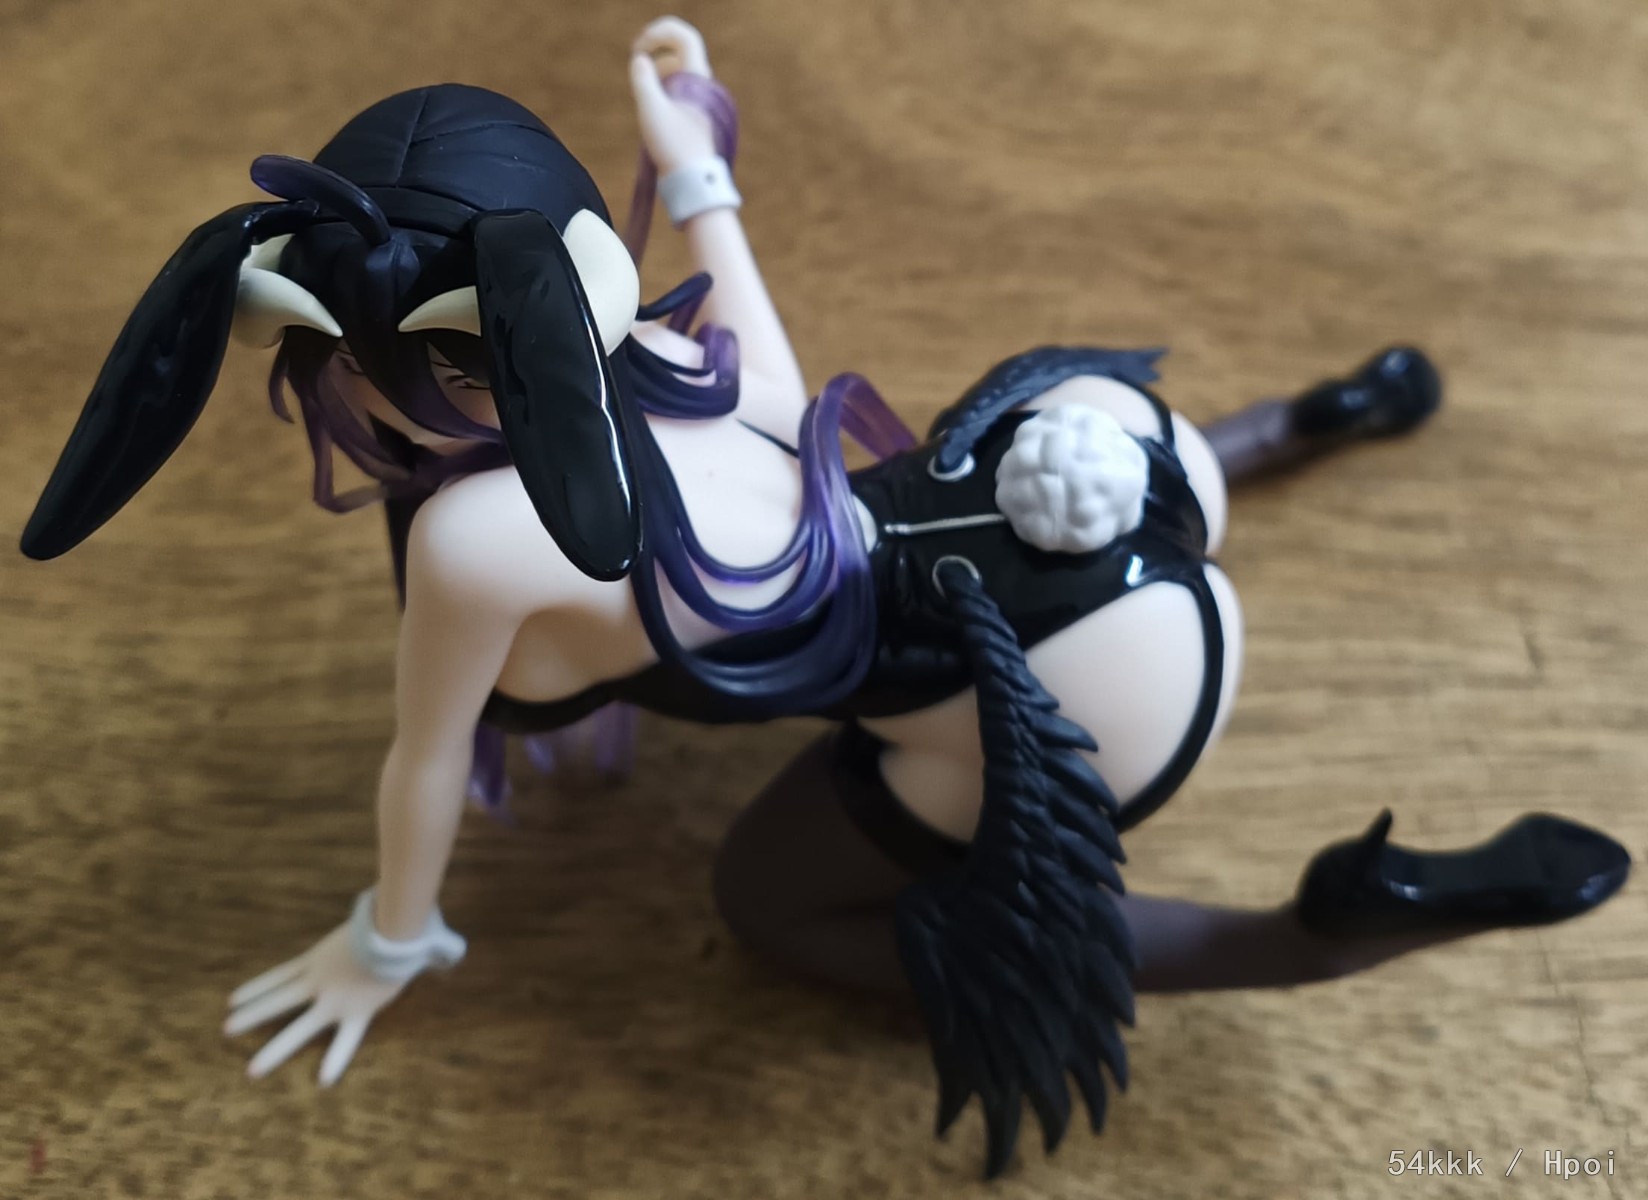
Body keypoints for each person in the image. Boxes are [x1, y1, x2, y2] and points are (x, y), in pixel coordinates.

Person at [20, 17, 1629, 1177]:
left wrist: (392, 938)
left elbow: (424, 756)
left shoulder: (476, 541)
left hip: (1046, 702)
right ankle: (1313, 420)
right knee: (1016, 461)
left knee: (771, 907)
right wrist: (694, 164)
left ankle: (1309, 935)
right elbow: (773, 348)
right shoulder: (679, 353)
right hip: (1094, 475)